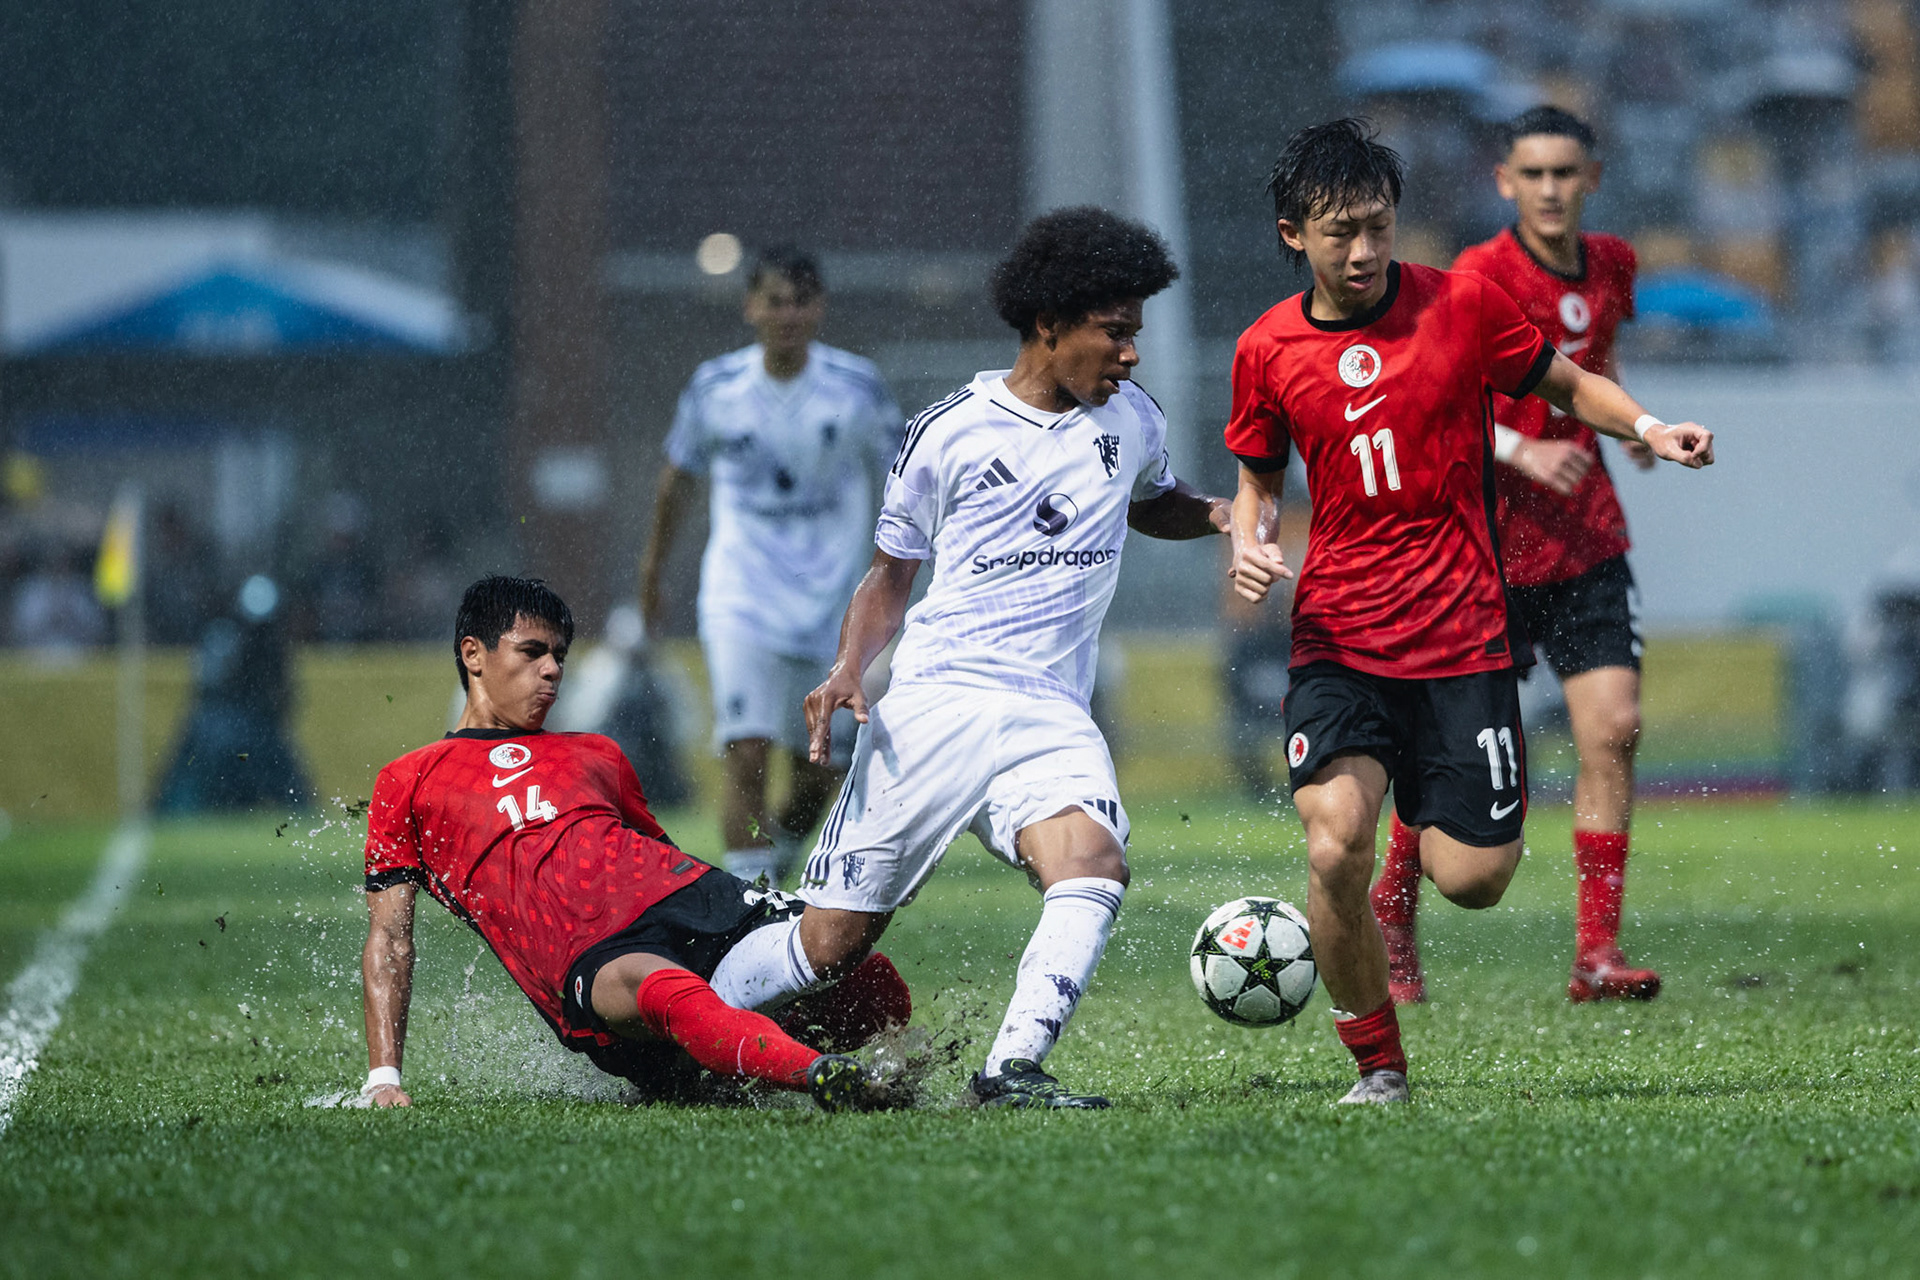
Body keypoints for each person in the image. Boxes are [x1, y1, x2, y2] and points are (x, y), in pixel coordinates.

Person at [1224, 120, 1713, 1104]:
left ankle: (1434, 812)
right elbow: (1258, 479)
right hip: (1341, 639)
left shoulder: (1463, 307)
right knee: (1331, 844)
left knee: (1476, 878)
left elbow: (1570, 384)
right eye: (1338, 234)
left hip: (1462, 637)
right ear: (1292, 234)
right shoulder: (1266, 348)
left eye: (1378, 227)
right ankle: (1379, 1066)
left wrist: (1652, 425)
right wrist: (1251, 534)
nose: (1363, 252)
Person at [703, 207, 1233, 1109]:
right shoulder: (948, 430)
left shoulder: (1132, 418)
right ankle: (691, 1020)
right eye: (1115, 333)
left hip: (1049, 712)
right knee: (830, 943)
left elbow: (1151, 499)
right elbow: (888, 577)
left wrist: (1220, 514)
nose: (1131, 355)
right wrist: (847, 666)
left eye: (1135, 335)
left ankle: (1013, 1069)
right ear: (1047, 324)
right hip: (935, 706)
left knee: (1092, 865)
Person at [356, 575, 910, 1112]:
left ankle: (756, 1051)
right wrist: (384, 1077)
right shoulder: (410, 779)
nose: (552, 670)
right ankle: (815, 1074)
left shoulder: (597, 752)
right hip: (594, 957)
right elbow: (390, 937)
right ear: (473, 654)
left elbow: (654, 851)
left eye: (558, 655)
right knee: (666, 992)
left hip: (694, 903)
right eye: (531, 652)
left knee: (875, 984)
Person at [1371, 106, 1661, 1006]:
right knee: (1451, 751)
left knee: (1613, 729)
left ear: (1591, 180)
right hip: (1482, 546)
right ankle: (1392, 905)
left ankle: (1595, 954)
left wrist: (1636, 426)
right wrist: (1522, 449)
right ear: (1505, 183)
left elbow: (1589, 367)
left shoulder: (1614, 264)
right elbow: (1436, 395)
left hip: (1586, 538)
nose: (1549, 189)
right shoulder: (1477, 274)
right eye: (1532, 174)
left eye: (1564, 173)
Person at [639, 247, 903, 887]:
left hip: (836, 603)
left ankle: (774, 860)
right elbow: (676, 482)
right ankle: (749, 906)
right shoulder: (716, 389)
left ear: (819, 309)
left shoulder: (856, 387)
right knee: (747, 752)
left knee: (821, 770)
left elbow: (908, 478)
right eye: (775, 301)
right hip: (742, 594)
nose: (787, 314)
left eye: (800, 301)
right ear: (750, 306)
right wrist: (652, 574)